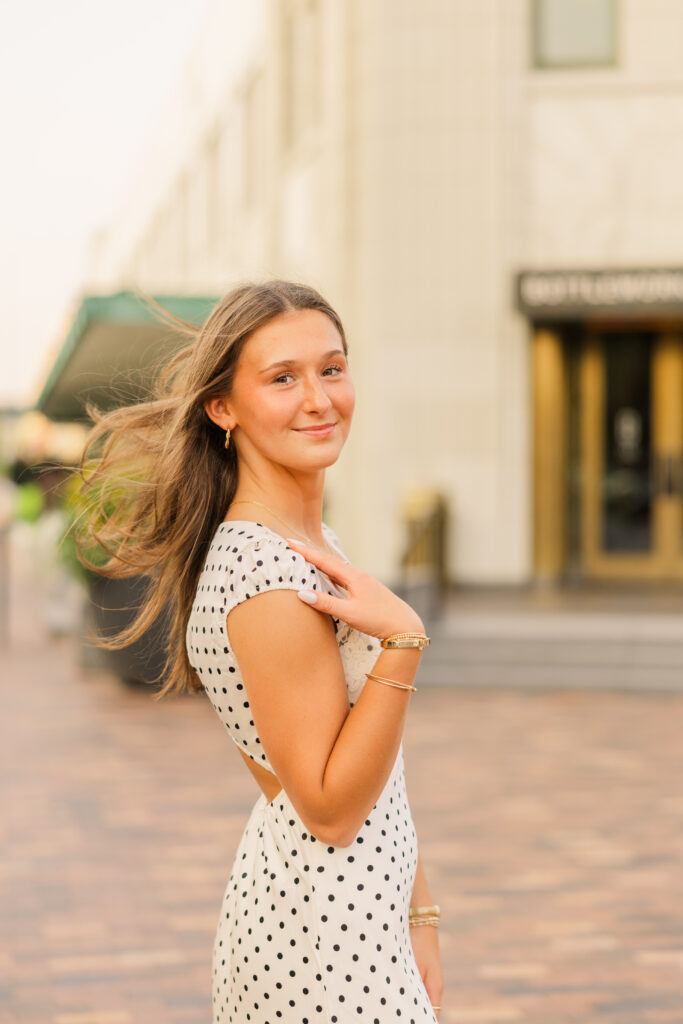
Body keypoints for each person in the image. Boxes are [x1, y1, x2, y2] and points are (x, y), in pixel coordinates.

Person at [74, 279, 444, 1023]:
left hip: (350, 909)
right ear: (223, 407)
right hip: (325, 939)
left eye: (331, 369)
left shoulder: (308, 545)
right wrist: (402, 642)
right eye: (282, 378)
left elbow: (376, 783)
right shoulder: (266, 575)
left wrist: (418, 912)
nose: (318, 399)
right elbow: (329, 809)